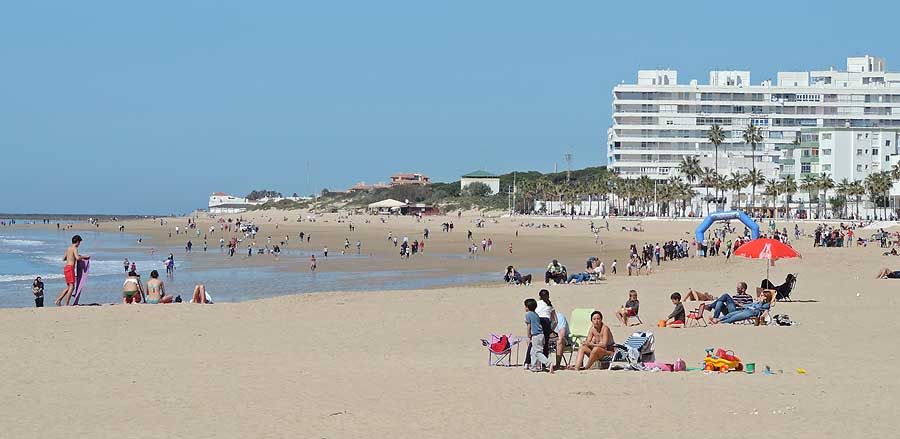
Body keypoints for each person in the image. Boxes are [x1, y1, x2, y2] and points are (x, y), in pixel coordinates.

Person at [55, 235, 90, 306]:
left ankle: (58, 300)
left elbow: (64, 258)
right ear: (77, 242)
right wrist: (84, 256)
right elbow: (77, 258)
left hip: (66, 268)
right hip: (70, 268)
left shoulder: (69, 248)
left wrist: (71, 257)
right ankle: (67, 303)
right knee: (72, 287)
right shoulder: (75, 248)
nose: (79, 244)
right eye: (79, 242)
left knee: (69, 287)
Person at [523, 298, 553, 373]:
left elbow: (529, 326)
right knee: (533, 352)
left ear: (527, 307)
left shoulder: (528, 314)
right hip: (541, 335)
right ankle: (533, 366)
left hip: (536, 335)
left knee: (537, 352)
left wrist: (528, 335)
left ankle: (548, 363)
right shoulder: (535, 314)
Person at [536, 290, 556, 359]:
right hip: (546, 322)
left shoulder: (536, 303)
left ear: (539, 296)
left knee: (534, 343)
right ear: (548, 296)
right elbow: (555, 321)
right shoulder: (550, 305)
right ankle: (544, 363)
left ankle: (527, 362)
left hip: (537, 321)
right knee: (545, 344)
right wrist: (551, 330)